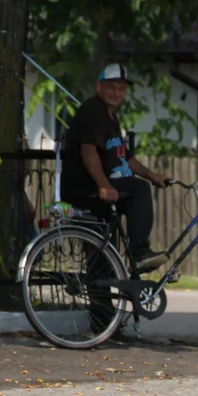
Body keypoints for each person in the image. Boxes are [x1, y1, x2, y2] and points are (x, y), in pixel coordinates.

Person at [60, 63, 171, 272]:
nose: (116, 93)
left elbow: (126, 158)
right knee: (139, 190)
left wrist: (152, 175)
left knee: (104, 251)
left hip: (105, 186)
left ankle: (102, 304)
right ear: (99, 86)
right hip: (86, 188)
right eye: (111, 87)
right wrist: (103, 185)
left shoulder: (110, 117)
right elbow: (88, 151)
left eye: (121, 88)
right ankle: (139, 253)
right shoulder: (92, 111)